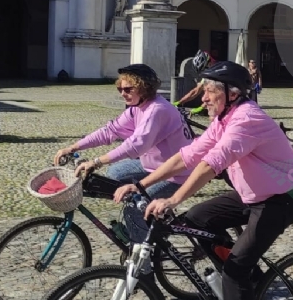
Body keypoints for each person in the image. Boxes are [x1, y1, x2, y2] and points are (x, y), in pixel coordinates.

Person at [114, 60, 293, 300]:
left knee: (234, 274)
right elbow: (187, 156)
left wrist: (173, 199)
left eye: (209, 91)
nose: (202, 98)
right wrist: (142, 184)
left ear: (231, 93)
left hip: (282, 199)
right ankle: (249, 276)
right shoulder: (223, 120)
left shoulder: (247, 119)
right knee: (195, 220)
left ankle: (239, 296)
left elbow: (211, 164)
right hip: (252, 194)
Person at [52, 64, 193, 241]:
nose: (122, 93)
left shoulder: (157, 109)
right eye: (120, 88)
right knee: (114, 174)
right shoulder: (136, 108)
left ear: (144, 88)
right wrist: (74, 147)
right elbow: (110, 131)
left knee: (132, 210)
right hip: (154, 165)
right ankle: (147, 225)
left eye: (127, 89)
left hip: (175, 174)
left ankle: (144, 264)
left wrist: (97, 161)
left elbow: (135, 146)